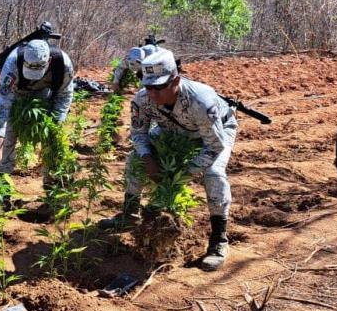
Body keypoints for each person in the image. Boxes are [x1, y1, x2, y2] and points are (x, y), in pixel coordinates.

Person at [97, 49, 238, 271]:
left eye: (159, 87)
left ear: (176, 80)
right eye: (148, 86)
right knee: (135, 159)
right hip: (171, 131)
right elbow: (138, 133)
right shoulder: (142, 99)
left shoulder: (201, 100)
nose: (152, 93)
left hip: (212, 134)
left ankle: (219, 240)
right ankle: (129, 214)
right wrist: (147, 158)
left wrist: (182, 175)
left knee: (213, 173)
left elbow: (214, 145)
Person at [0, 39, 74, 189]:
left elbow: (65, 95)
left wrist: (55, 124)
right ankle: (3, 183)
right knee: (8, 138)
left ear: (49, 61)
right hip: (18, 97)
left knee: (51, 141)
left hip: (46, 98)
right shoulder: (12, 64)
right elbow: (3, 103)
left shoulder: (63, 64)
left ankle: (51, 183)